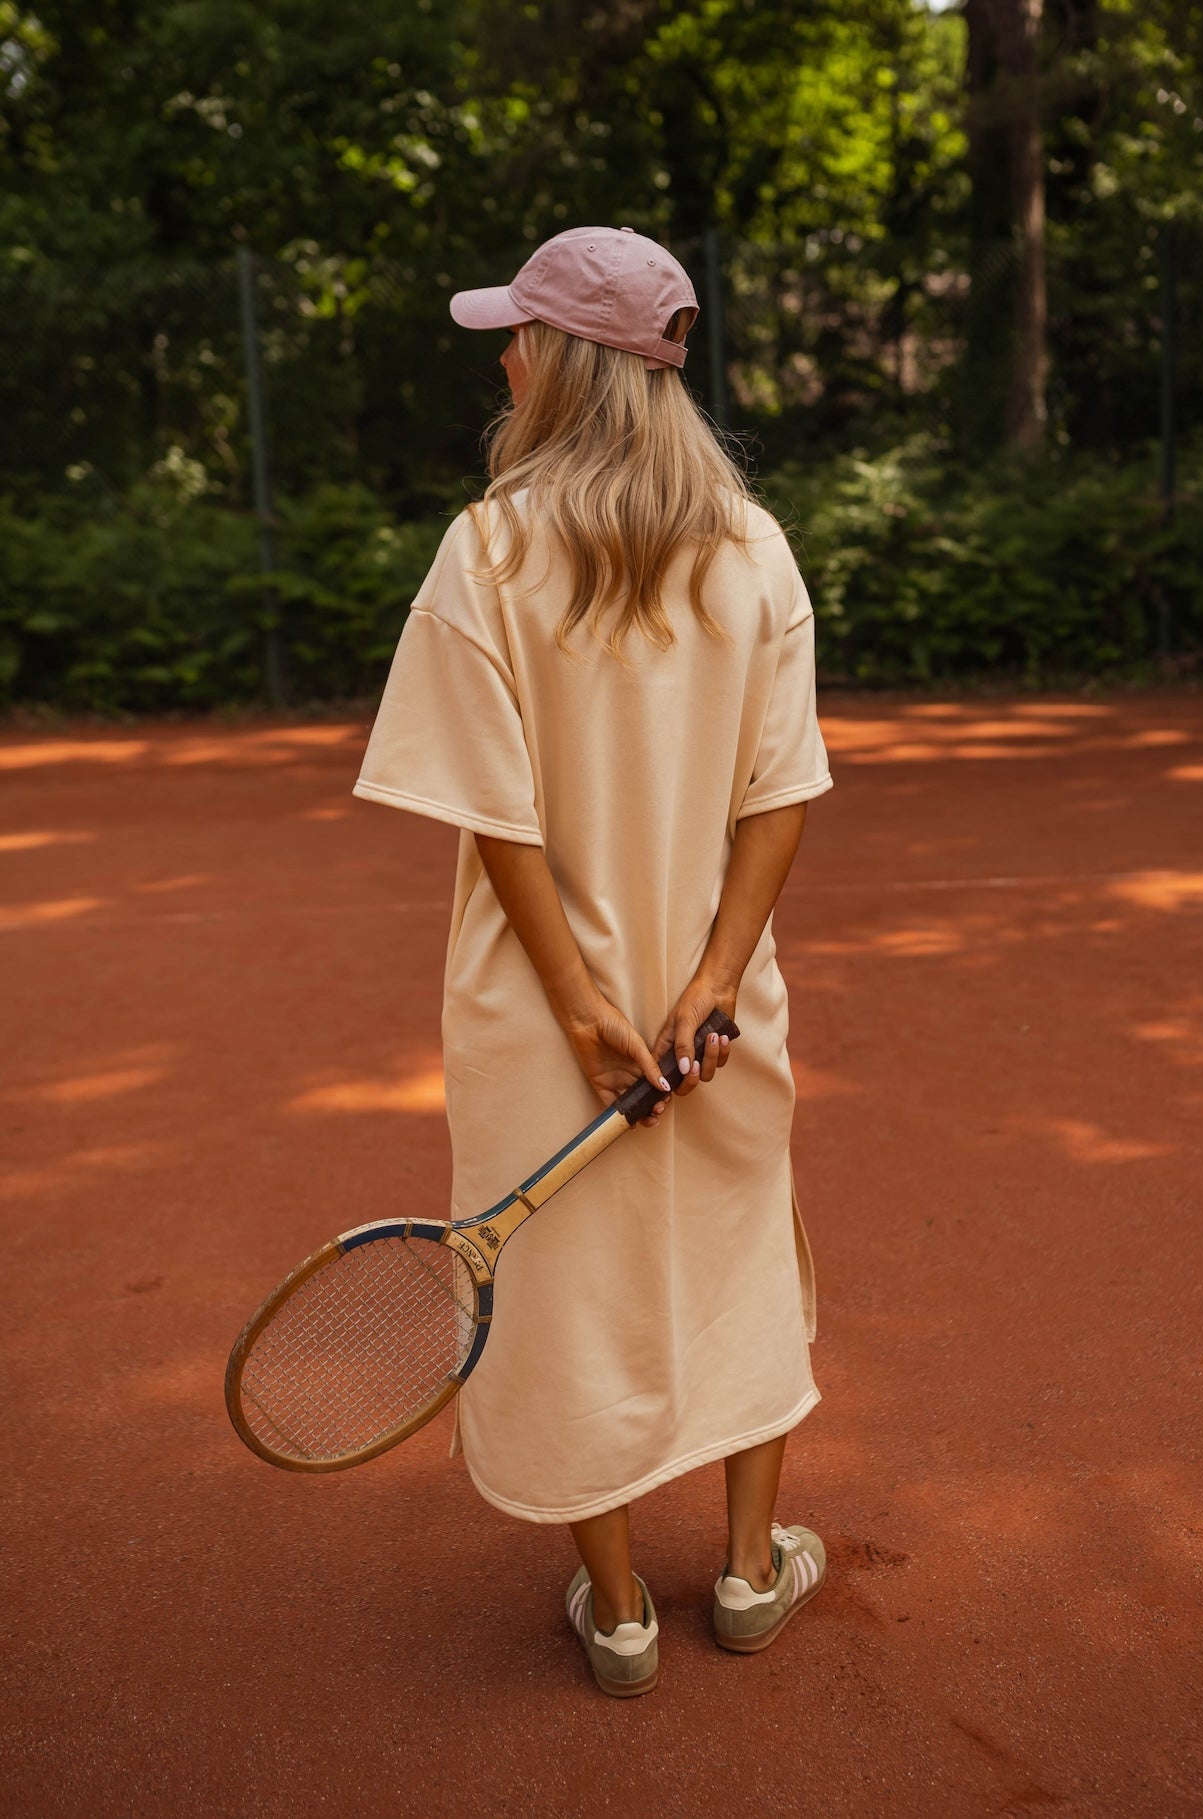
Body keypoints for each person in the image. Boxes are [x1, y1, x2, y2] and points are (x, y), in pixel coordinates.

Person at [352, 225, 834, 1697]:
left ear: (561, 361)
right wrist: (705, 985)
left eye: (513, 333)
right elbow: (780, 796)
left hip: (541, 1017)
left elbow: (496, 817)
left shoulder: (486, 547)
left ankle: (616, 1611)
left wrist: (578, 1007)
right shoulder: (752, 546)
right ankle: (750, 1576)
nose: (498, 355)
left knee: (557, 1294)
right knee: (749, 1260)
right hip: (711, 1014)